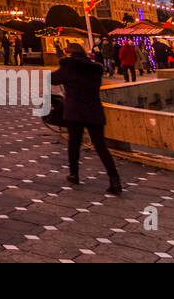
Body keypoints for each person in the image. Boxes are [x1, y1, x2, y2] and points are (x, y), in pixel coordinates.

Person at [51, 42, 121, 195]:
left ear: (70, 53)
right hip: (94, 110)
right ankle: (114, 178)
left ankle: (74, 173)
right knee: (101, 147)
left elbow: (52, 79)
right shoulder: (95, 69)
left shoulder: (69, 67)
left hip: (75, 111)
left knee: (74, 144)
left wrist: (61, 63)